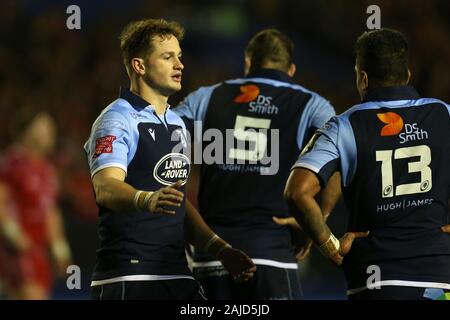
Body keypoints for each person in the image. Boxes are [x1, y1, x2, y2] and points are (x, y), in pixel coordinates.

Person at [84, 18, 256, 300]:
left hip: (178, 274)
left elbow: (177, 202)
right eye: (167, 57)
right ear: (139, 66)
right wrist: (147, 199)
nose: (180, 65)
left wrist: (220, 249)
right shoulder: (116, 120)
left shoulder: (177, 123)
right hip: (130, 277)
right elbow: (105, 188)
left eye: (179, 56)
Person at [285, 28, 450, 300]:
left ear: (362, 78)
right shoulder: (442, 113)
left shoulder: (343, 126)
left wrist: (329, 244)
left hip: (376, 280)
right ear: (407, 75)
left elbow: (297, 192)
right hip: (440, 277)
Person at [174, 28, 338, 299]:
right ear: (292, 69)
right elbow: (338, 161)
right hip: (271, 252)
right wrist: (318, 220)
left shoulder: (204, 97)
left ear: (248, 62)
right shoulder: (313, 106)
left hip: (212, 251)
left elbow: (162, 145)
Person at [0, 110, 72, 300]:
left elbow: (51, 212)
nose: (50, 133)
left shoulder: (48, 170)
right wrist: (13, 235)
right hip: (16, 251)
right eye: (44, 128)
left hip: (39, 253)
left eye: (51, 129)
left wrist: (60, 249)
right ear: (27, 130)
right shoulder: (11, 163)